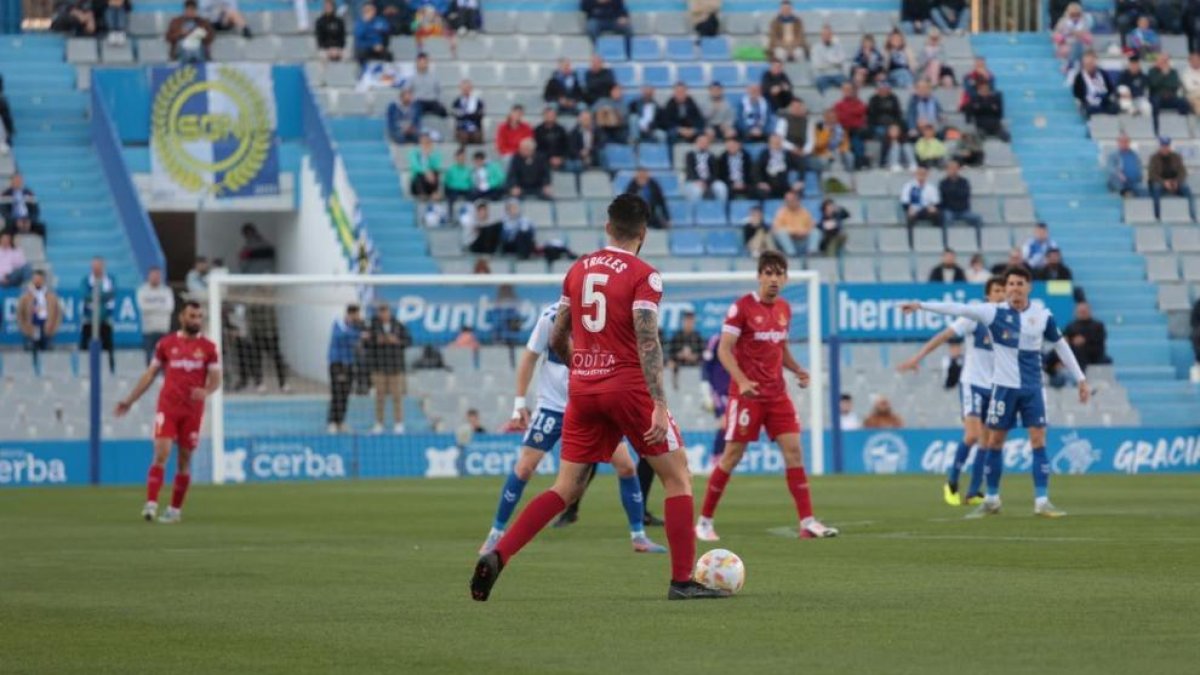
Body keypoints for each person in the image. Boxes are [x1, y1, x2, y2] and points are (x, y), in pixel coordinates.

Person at [470, 193, 731, 602]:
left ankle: (499, 554)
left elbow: (557, 336)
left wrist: (584, 365)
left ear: (608, 227)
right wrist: (660, 403)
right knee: (677, 476)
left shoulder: (577, 270)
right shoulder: (646, 275)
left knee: (565, 487)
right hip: (628, 387)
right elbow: (648, 339)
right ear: (643, 235)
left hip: (583, 388)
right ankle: (683, 581)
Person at [478, 297, 666, 556]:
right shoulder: (552, 316)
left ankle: (639, 537)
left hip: (591, 405)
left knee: (626, 466)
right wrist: (519, 403)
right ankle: (495, 535)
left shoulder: (606, 316)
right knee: (524, 467)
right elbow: (529, 358)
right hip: (553, 406)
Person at [902, 266, 1089, 518]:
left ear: (1029, 287)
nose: (1013, 288)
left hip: (1033, 388)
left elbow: (1061, 346)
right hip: (1003, 389)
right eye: (1010, 284)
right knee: (994, 441)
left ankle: (1042, 500)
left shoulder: (1042, 315)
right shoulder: (992, 312)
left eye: (1019, 284)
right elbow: (957, 309)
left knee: (1038, 439)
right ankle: (991, 499)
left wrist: (1080, 378)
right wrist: (920, 305)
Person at [694, 250, 838, 542]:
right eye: (768, 273)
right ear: (759, 276)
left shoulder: (784, 308)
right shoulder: (741, 307)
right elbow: (724, 349)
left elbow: (780, 347)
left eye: (779, 274)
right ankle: (704, 522)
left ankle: (807, 522)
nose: (773, 279)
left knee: (795, 451)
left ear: (785, 278)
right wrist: (742, 381)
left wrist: (797, 369)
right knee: (732, 456)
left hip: (777, 396)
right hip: (746, 396)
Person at [898, 276, 1004, 505]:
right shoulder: (976, 317)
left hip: (995, 386)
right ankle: (952, 481)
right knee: (973, 435)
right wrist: (918, 357)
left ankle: (974, 491)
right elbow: (944, 335)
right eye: (996, 290)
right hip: (973, 383)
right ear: (988, 295)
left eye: (1003, 290)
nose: (1001, 294)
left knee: (987, 441)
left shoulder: (1009, 320)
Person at [115, 301, 219, 524]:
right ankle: (151, 504)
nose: (196, 320)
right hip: (168, 407)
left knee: (184, 460)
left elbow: (216, 381)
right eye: (192, 316)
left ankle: (174, 510)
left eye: (199, 317)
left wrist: (206, 390)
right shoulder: (166, 344)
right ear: (182, 317)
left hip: (192, 411)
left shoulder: (209, 348)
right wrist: (129, 400)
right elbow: (150, 375)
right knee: (161, 452)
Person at [365, 303, 411, 434]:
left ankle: (399, 423)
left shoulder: (399, 325)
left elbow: (408, 341)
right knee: (380, 397)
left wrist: (397, 341)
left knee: (397, 396)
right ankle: (379, 423)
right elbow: (366, 343)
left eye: (385, 311)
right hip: (379, 366)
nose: (383, 314)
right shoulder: (373, 326)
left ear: (389, 312)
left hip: (395, 367)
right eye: (381, 312)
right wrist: (376, 341)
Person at [1047, 301, 1109, 387]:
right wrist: (1069, 341)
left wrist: (1085, 340)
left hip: (1090, 353)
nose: (1082, 313)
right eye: (1080, 311)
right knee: (1057, 350)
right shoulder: (1071, 326)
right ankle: (1053, 374)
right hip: (1072, 351)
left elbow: (1099, 344)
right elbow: (1065, 338)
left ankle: (1078, 378)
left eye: (1084, 311)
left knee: (1078, 350)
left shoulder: (1098, 326)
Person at [326, 304, 365, 434]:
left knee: (345, 394)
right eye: (356, 314)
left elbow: (358, 340)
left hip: (349, 363)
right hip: (337, 363)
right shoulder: (339, 323)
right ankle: (331, 422)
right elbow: (341, 336)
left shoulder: (356, 326)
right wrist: (357, 335)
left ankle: (341, 421)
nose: (358, 317)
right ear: (350, 314)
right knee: (336, 393)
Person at [80, 256, 116, 373]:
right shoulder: (86, 280)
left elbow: (112, 294)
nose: (96, 269)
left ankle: (111, 371)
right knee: (85, 348)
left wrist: (96, 295)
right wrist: (100, 296)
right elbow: (85, 295)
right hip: (89, 320)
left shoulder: (110, 279)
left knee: (108, 348)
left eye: (98, 267)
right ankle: (84, 371)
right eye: (94, 267)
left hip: (105, 320)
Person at [16, 270, 61, 365]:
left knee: (47, 357)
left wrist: (53, 328)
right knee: (30, 356)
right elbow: (20, 314)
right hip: (31, 328)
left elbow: (58, 314)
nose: (37, 281)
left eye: (39, 279)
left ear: (43, 280)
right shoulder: (25, 297)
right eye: (35, 279)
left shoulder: (51, 297)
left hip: (46, 328)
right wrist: (25, 329)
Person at [699, 331, 731, 463]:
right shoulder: (716, 339)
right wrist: (706, 392)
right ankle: (716, 458)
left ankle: (723, 459)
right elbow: (705, 366)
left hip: (735, 390)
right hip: (718, 390)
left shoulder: (741, 341)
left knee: (731, 426)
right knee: (724, 423)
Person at [1149, 136, 1197, 221]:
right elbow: (1152, 174)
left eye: (1166, 146)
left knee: (1187, 189)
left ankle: (1192, 215)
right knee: (1156, 189)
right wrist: (1164, 182)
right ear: (1160, 146)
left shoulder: (1176, 157)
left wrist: (1177, 182)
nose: (1165, 148)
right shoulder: (1154, 158)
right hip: (1161, 182)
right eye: (1163, 146)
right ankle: (1157, 215)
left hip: (1175, 181)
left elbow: (1182, 172)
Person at [136, 267, 175, 364]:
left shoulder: (166, 291)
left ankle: (165, 378)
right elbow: (143, 308)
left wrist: (152, 306)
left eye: (157, 276)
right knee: (149, 357)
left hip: (163, 329)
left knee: (165, 357)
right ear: (149, 276)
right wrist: (160, 306)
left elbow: (169, 308)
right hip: (148, 329)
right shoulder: (142, 290)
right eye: (153, 276)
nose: (155, 278)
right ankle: (150, 377)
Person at [940, 159, 984, 242]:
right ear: (947, 170)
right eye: (950, 168)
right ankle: (947, 243)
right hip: (949, 211)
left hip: (964, 211)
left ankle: (979, 243)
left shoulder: (964, 182)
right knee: (945, 218)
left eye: (954, 168)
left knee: (978, 218)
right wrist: (955, 193)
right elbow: (944, 197)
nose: (953, 170)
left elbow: (964, 195)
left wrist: (952, 192)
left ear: (958, 169)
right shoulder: (943, 183)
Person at [900, 166, 941, 247]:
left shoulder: (931, 188)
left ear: (927, 175)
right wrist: (909, 208)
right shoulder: (908, 186)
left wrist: (933, 208)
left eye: (923, 174)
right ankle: (911, 244)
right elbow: (904, 201)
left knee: (938, 215)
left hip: (926, 210)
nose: (921, 176)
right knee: (910, 218)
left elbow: (936, 202)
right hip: (914, 210)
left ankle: (936, 241)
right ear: (915, 174)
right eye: (919, 174)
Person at [757, 134, 804, 199]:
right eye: (774, 142)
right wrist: (761, 182)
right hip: (769, 184)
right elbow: (758, 170)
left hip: (785, 184)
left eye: (778, 142)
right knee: (760, 192)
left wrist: (800, 180)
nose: (776, 144)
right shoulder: (764, 154)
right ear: (769, 143)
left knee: (797, 193)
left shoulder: (787, 154)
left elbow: (800, 165)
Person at [1072, 51, 1118, 116]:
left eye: (1091, 63)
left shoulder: (1103, 73)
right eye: (1087, 64)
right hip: (1088, 104)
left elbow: (1111, 89)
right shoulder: (1079, 77)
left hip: (1104, 101)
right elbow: (1077, 94)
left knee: (1115, 107)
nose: (1089, 66)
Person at [1, 173, 44, 241]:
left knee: (41, 228)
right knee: (4, 232)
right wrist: (16, 221)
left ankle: (41, 249)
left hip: (28, 221)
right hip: (13, 222)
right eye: (16, 180)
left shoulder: (29, 193)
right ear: (12, 182)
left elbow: (35, 211)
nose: (18, 182)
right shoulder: (5, 194)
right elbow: (4, 212)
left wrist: (29, 220)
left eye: (20, 180)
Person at [684, 133, 726, 202]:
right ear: (696, 143)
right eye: (701, 142)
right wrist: (697, 180)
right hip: (694, 181)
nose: (703, 144)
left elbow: (715, 173)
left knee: (721, 188)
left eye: (705, 142)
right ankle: (695, 212)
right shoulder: (690, 155)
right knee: (696, 191)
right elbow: (690, 170)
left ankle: (721, 210)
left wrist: (706, 182)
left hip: (709, 181)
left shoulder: (712, 156)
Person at [771, 190, 814, 256]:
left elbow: (811, 226)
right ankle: (791, 253)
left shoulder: (805, 212)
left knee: (816, 232)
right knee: (781, 232)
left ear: (797, 200)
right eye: (787, 200)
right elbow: (776, 228)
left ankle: (812, 252)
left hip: (802, 240)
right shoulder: (781, 212)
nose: (789, 202)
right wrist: (794, 232)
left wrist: (804, 232)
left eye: (792, 200)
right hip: (788, 240)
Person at [1053, 2, 1093, 68]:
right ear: (1068, 13)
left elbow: (1089, 39)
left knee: (1079, 46)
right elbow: (1056, 35)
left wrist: (1081, 35)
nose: (1075, 17)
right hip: (1066, 45)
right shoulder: (1062, 22)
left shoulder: (1084, 22)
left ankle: (1074, 64)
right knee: (1069, 49)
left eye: (1077, 14)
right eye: (1073, 15)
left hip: (1080, 46)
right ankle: (1069, 64)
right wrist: (1064, 37)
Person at [667, 310, 705, 376]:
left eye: (691, 321)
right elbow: (669, 353)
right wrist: (678, 355)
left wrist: (695, 357)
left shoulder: (698, 337)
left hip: (694, 369)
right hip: (678, 369)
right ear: (683, 321)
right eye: (687, 321)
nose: (689, 323)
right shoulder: (676, 336)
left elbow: (704, 354)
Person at [811, 24, 847, 94]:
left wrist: (827, 61)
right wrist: (834, 62)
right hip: (822, 75)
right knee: (821, 84)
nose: (827, 36)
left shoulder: (838, 46)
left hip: (837, 74)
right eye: (824, 34)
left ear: (831, 35)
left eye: (829, 34)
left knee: (847, 85)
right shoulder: (816, 48)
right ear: (821, 35)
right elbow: (817, 65)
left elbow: (842, 60)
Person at [407, 132, 442, 202]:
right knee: (419, 175)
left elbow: (436, 166)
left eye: (427, 142)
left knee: (435, 172)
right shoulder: (414, 153)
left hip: (429, 182)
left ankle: (434, 192)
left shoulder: (435, 154)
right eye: (423, 141)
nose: (425, 144)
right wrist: (425, 171)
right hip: (417, 184)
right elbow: (415, 167)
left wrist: (429, 156)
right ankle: (422, 194)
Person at [533, 107, 569, 172]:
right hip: (543, 160)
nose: (550, 117)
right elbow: (537, 149)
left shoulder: (561, 130)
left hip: (560, 159)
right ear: (544, 116)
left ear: (555, 116)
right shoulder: (538, 130)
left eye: (552, 115)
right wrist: (549, 158)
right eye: (548, 115)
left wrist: (561, 158)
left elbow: (567, 146)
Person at [451, 79, 484, 145]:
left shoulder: (477, 101)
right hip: (462, 128)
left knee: (477, 136)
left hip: (475, 128)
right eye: (464, 88)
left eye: (467, 88)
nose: (466, 90)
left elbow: (479, 115)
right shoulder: (457, 102)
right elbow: (456, 115)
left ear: (471, 89)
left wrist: (465, 115)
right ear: (460, 89)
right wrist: (471, 115)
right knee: (464, 136)